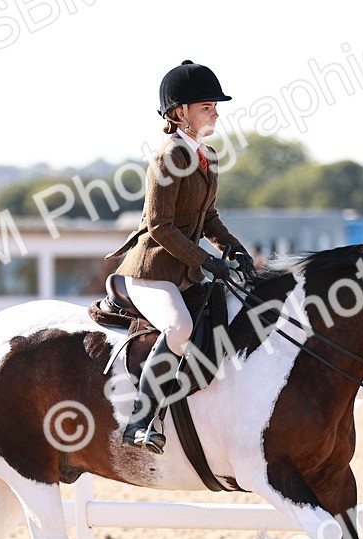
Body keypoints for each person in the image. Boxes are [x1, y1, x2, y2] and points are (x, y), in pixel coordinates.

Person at [105, 61, 255, 454]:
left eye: (215, 106)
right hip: (152, 272)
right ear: (179, 113)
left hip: (185, 273)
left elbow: (209, 218)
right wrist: (208, 262)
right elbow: (159, 225)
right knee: (179, 329)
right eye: (207, 106)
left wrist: (232, 247)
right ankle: (140, 421)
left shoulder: (207, 156)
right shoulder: (169, 157)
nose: (216, 113)